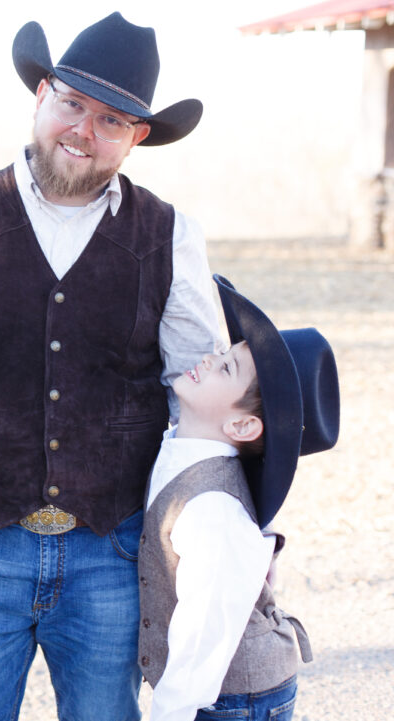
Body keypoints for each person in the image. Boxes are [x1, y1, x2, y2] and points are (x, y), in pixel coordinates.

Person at [0, 12, 221, 721]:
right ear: (41, 94)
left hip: (112, 552)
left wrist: (233, 519)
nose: (84, 131)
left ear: (138, 137)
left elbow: (202, 396)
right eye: (73, 104)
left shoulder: (168, 234)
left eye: (113, 120)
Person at [139, 274, 340, 720]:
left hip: (231, 699)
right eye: (224, 354)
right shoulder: (183, 449)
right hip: (216, 690)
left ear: (244, 427)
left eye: (226, 368)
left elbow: (205, 628)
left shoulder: (212, 506)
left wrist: (169, 712)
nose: (209, 359)